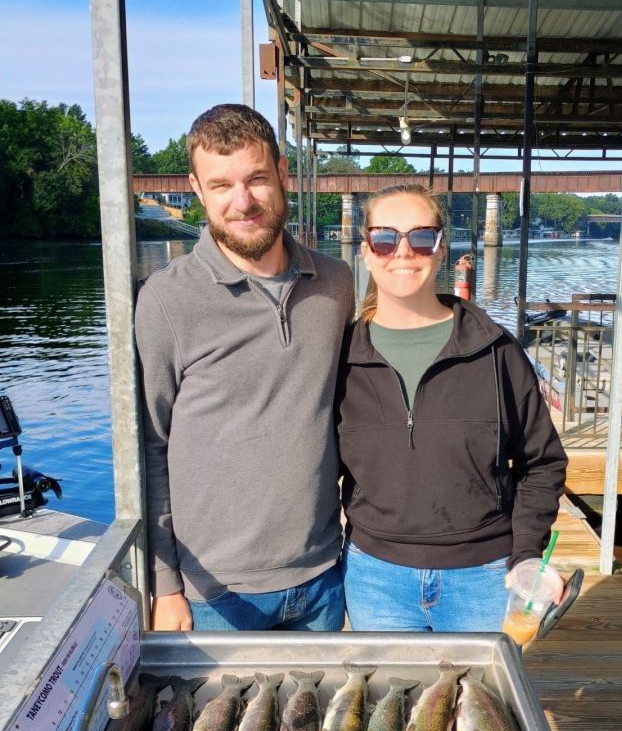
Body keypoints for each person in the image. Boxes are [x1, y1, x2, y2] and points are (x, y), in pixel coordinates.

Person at [135, 104, 354, 631]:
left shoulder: (336, 283)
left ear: (282, 173)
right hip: (215, 593)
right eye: (220, 185)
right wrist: (165, 587)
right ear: (196, 189)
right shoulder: (166, 300)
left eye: (256, 179)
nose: (243, 202)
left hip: (324, 575)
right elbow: (151, 446)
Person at [335, 184, 567, 632]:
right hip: (375, 577)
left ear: (441, 250)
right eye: (386, 238)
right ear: (365, 251)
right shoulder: (339, 358)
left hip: (485, 578)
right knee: (390, 701)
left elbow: (543, 462)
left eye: (421, 237)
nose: (403, 251)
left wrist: (526, 555)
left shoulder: (495, 350)